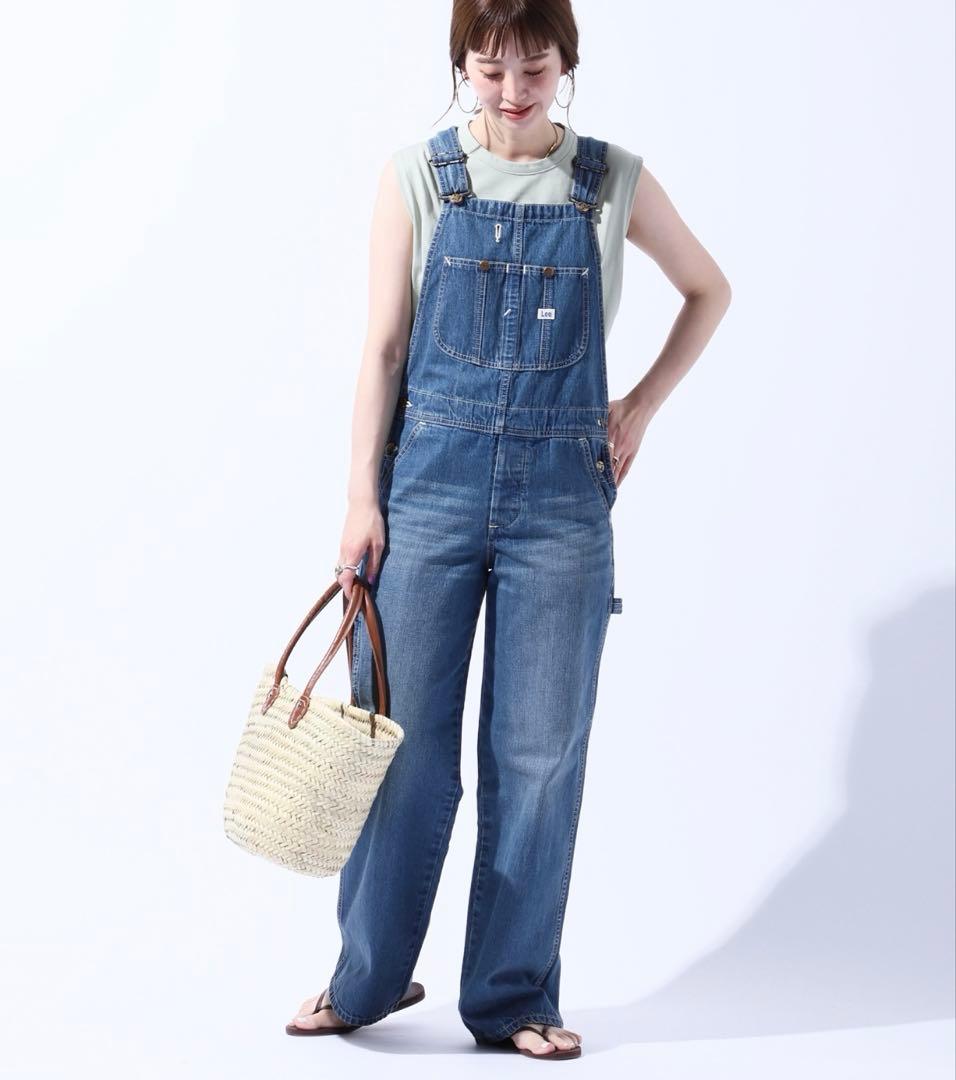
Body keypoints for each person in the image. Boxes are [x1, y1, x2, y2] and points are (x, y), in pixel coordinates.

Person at [287, 0, 731, 1059]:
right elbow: (382, 350)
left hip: (561, 505)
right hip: (425, 492)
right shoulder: (417, 175)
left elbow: (708, 291)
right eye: (489, 70)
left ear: (566, 61)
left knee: (537, 759)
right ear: (461, 66)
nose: (512, 90)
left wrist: (637, 408)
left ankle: (515, 997)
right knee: (397, 747)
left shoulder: (609, 179)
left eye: (533, 68)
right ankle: (365, 980)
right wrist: (359, 497)